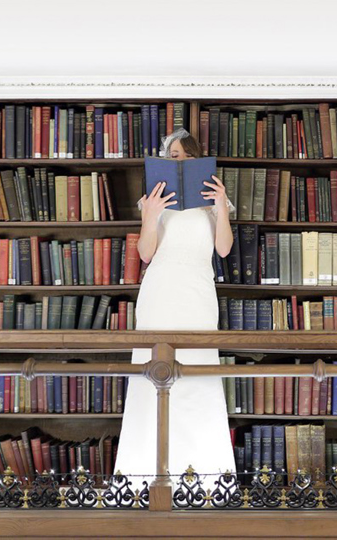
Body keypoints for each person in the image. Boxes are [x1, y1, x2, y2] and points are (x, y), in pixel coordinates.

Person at [114, 129, 236, 482]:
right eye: (171, 156)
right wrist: (151, 215)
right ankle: (142, 476)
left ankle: (207, 477)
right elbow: (146, 253)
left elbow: (224, 249)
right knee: (152, 375)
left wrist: (220, 207)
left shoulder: (213, 199)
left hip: (197, 293)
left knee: (198, 374)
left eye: (182, 155)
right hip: (161, 292)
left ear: (195, 158)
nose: (177, 160)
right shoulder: (152, 199)